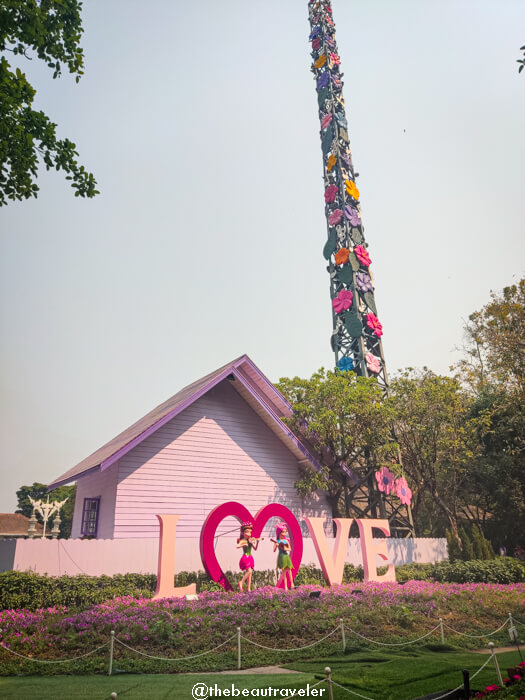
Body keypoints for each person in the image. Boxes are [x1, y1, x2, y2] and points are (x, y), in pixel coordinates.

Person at [236, 521, 260, 592]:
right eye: (247, 532)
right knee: (249, 571)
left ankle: (248, 588)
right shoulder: (243, 540)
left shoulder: (250, 540)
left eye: (250, 532)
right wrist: (243, 545)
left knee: (250, 573)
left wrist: (257, 542)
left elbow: (255, 549)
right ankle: (241, 582)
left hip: (250, 557)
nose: (249, 534)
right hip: (245, 557)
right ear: (243, 533)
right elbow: (238, 546)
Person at [272, 522, 294, 591]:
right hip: (281, 556)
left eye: (285, 532)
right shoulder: (277, 541)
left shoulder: (286, 541)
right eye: (283, 532)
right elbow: (274, 550)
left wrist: (285, 548)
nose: (284, 534)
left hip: (286, 556)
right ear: (279, 533)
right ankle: (285, 586)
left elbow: (290, 549)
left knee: (289, 570)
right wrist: (276, 545)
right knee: (284, 571)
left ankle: (292, 584)